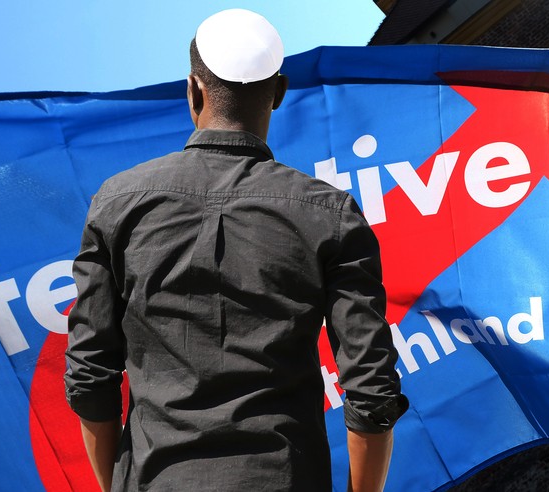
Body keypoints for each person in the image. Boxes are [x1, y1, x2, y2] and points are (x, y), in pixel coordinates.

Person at [65, 9, 408, 492]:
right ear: (279, 92)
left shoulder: (117, 204)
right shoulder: (329, 213)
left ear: (193, 90)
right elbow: (371, 391)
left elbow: (90, 379)